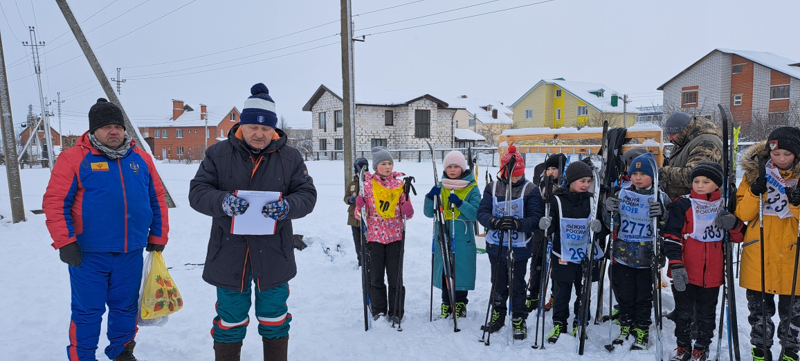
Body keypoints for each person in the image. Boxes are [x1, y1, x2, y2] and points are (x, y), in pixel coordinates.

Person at [189, 84, 317, 361]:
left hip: (274, 252)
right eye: (252, 128)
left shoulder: (290, 157)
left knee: (275, 316)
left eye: (265, 129)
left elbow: (307, 195)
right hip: (228, 251)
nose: (259, 134)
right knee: (230, 318)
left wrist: (287, 206)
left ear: (274, 129)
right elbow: (198, 192)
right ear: (241, 126)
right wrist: (222, 201)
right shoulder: (218, 154)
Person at [43, 98, 169, 361]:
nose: (114, 131)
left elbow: (157, 198)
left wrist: (158, 235)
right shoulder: (74, 159)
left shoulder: (141, 159)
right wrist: (65, 242)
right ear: (93, 131)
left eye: (118, 126)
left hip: (130, 252)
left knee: (126, 307)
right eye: (106, 126)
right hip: (88, 254)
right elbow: (55, 202)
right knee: (87, 311)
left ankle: (122, 352)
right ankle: (83, 356)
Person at [662, 161, 744, 361]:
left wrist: (734, 224)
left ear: (717, 185)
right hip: (685, 270)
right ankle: (682, 347)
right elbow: (671, 236)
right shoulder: (683, 204)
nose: (699, 185)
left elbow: (739, 237)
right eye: (696, 181)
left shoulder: (724, 205)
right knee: (683, 313)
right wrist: (675, 263)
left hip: (713, 273)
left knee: (707, 315)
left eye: (705, 181)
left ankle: (701, 347)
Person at [735, 127, 800, 361]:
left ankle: (790, 352)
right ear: (768, 152)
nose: (781, 159)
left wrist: (796, 203)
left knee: (793, 316)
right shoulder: (753, 173)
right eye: (777, 153)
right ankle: (760, 351)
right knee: (759, 314)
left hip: (794, 258)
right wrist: (754, 192)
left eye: (788, 154)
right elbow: (741, 213)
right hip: (759, 254)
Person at [604, 153, 670, 350]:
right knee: (624, 294)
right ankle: (625, 325)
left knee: (643, 296)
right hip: (623, 255)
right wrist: (608, 211)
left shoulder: (660, 197)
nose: (638, 178)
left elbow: (668, 227)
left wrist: (663, 215)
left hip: (646, 257)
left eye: (643, 174)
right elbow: (611, 225)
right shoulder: (620, 193)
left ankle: (641, 329)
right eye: (635, 173)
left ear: (653, 176)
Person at [477, 145, 543, 340]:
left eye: (518, 174)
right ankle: (498, 313)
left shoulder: (531, 189)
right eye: (512, 175)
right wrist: (494, 222)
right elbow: (482, 212)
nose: (515, 178)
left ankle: (519, 317)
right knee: (498, 281)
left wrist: (519, 223)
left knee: (517, 283)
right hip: (496, 245)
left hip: (520, 247)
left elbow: (536, 218)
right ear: (503, 171)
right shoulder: (492, 188)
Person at [541, 160, 606, 343]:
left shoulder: (593, 201)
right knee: (561, 292)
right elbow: (550, 228)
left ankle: (581, 321)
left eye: (588, 181)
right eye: (582, 181)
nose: (586, 185)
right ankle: (559, 322)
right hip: (562, 254)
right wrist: (545, 225)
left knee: (583, 291)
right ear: (570, 181)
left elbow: (604, 229)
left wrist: (599, 227)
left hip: (585, 256)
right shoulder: (557, 200)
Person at [354, 147, 414, 323]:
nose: (387, 167)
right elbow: (360, 216)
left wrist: (408, 210)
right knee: (376, 276)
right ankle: (379, 309)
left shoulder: (399, 185)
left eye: (390, 163)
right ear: (375, 166)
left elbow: (408, 215)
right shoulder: (366, 186)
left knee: (395, 276)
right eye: (383, 163)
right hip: (374, 237)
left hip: (395, 236)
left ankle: (396, 310)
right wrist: (359, 207)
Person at [424, 151, 481, 319]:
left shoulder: (471, 187)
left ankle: (460, 302)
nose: (453, 170)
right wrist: (429, 197)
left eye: (456, 166)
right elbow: (429, 213)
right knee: (444, 269)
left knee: (460, 269)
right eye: (449, 166)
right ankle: (446, 302)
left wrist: (460, 204)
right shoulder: (441, 186)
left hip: (463, 236)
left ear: (462, 168)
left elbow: (475, 214)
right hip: (443, 232)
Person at [526, 153, 566, 314]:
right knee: (537, 266)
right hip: (540, 232)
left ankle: (555, 297)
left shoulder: (566, 186)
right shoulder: (541, 184)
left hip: (557, 234)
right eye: (548, 168)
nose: (550, 172)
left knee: (556, 268)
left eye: (554, 169)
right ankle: (533, 296)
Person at [659, 112, 723, 200]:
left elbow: (694, 176)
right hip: (682, 203)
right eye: (668, 135)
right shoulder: (683, 141)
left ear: (685, 130)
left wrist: (661, 172)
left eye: (673, 134)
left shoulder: (705, 143)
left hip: (701, 205)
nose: (670, 138)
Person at [345, 157, 370, 267]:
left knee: (367, 240)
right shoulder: (352, 184)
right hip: (353, 218)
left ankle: (368, 260)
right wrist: (350, 200)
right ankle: (360, 260)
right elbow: (346, 197)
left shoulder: (370, 183)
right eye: (360, 172)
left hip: (366, 217)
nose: (363, 174)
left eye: (365, 171)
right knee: (357, 241)